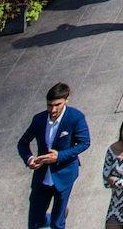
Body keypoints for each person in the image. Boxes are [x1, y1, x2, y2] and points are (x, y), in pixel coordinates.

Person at [17, 81, 91, 229]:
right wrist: (29, 159)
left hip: (63, 175)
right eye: (50, 105)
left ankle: (60, 215)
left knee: (58, 223)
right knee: (35, 222)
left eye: (57, 104)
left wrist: (60, 156)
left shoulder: (75, 117)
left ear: (66, 100)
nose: (53, 109)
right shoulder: (39, 120)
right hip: (42, 177)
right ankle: (54, 217)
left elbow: (85, 142)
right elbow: (22, 143)